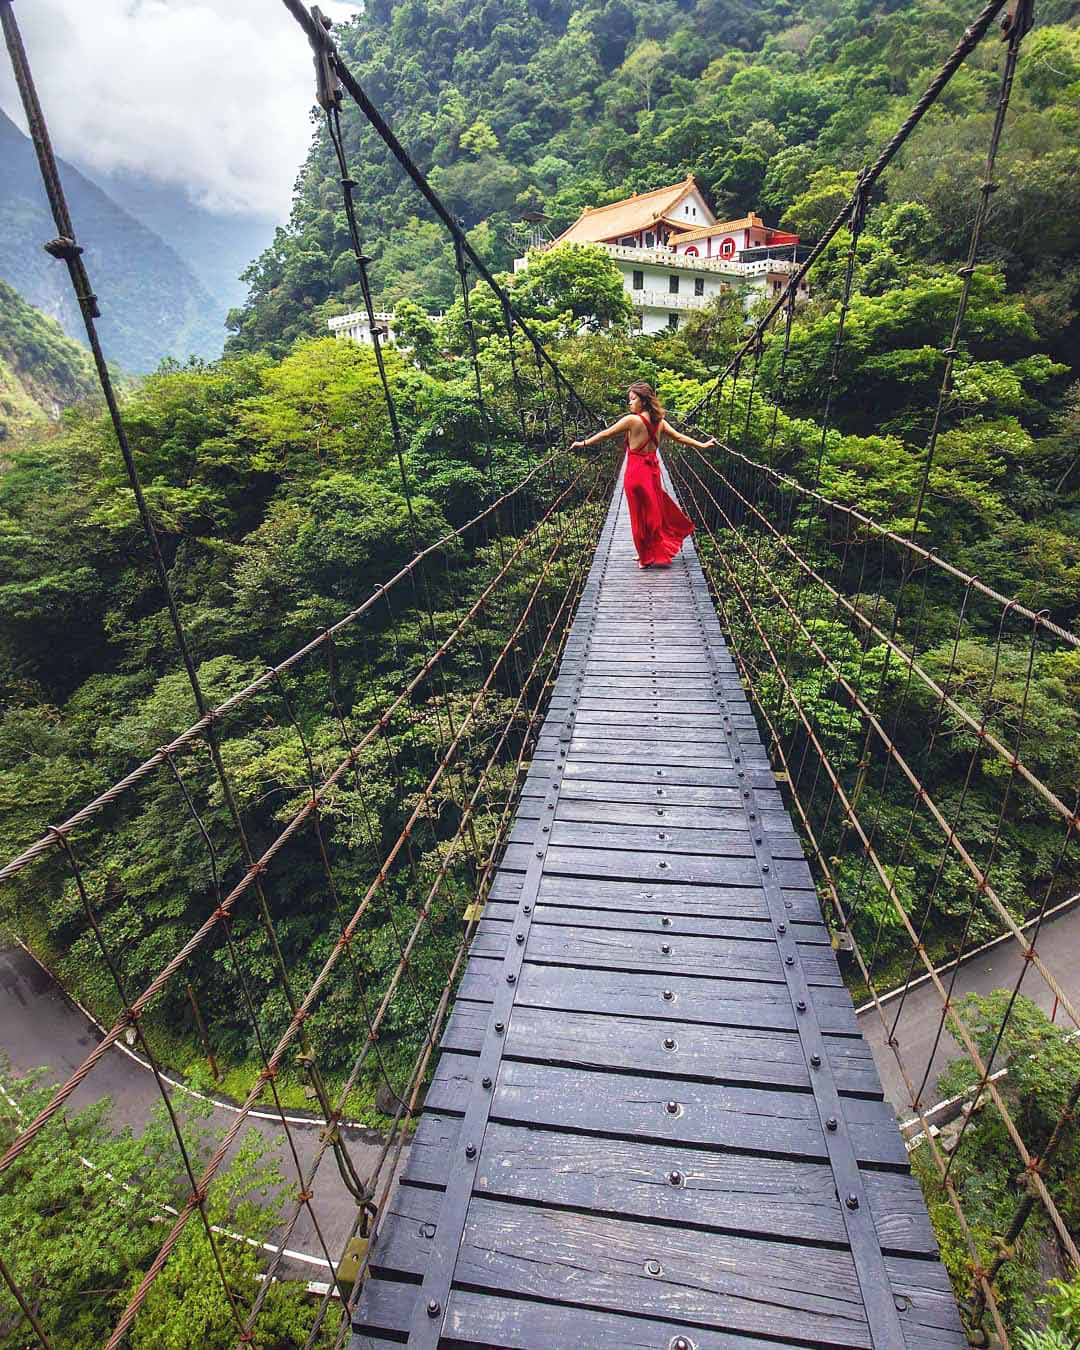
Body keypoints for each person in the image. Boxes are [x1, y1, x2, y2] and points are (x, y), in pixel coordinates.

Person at [571, 382, 717, 568]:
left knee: (638, 515)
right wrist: (702, 445)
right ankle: (651, 551)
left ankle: (645, 557)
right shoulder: (661, 423)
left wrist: (583, 443)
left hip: (635, 473)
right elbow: (680, 438)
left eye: (633, 399)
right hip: (652, 471)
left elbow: (606, 434)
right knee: (653, 511)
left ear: (644, 401)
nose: (629, 404)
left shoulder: (631, 421)